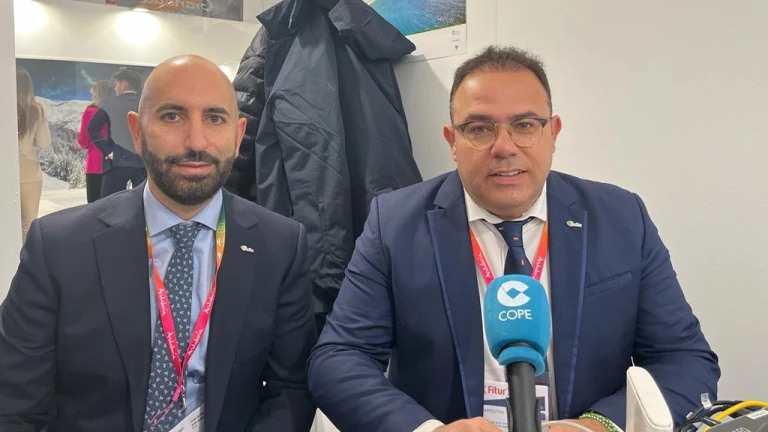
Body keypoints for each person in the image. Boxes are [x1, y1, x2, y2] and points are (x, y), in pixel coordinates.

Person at [307, 45, 720, 432]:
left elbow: (684, 360)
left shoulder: (621, 217)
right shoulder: (395, 224)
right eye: (479, 128)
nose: (504, 147)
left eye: (525, 125)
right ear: (453, 142)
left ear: (553, 133)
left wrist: (596, 425)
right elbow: (338, 359)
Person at [0, 54, 317, 432]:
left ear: (238, 136)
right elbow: (15, 403)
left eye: (215, 118)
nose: (195, 141)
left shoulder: (280, 246)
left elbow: (290, 389)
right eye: (172, 116)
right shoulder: (59, 247)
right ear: (136, 132)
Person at [88, 67, 147, 198]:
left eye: (116, 84)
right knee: (144, 202)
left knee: (110, 204)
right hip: (142, 161)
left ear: (123, 84)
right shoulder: (147, 104)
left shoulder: (110, 103)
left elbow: (92, 128)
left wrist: (108, 152)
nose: (115, 88)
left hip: (116, 161)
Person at [16, 66, 52, 243]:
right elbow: (45, 143)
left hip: (6, 171)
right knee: (28, 225)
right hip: (30, 172)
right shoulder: (38, 109)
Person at [78, 80, 115, 203]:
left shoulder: (90, 112)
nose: (92, 96)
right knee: (113, 205)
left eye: (93, 93)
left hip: (96, 163)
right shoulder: (117, 110)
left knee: (95, 206)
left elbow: (83, 141)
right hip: (116, 163)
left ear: (98, 94)